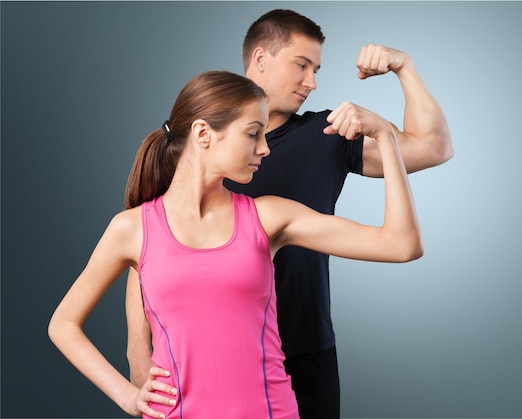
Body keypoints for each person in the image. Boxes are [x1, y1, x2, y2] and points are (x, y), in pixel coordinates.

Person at [128, 9, 453, 419]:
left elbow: (434, 147)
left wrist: (404, 67)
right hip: (205, 367)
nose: (312, 83)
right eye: (301, 65)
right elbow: (145, 273)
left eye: (316, 69)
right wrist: (144, 381)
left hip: (305, 349)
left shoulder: (327, 136)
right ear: (260, 59)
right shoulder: (202, 145)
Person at [48, 70, 422, 419]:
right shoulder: (132, 229)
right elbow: (64, 324)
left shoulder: (268, 217)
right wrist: (126, 395)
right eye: (252, 133)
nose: (265, 148)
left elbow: (401, 244)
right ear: (203, 133)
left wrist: (386, 138)